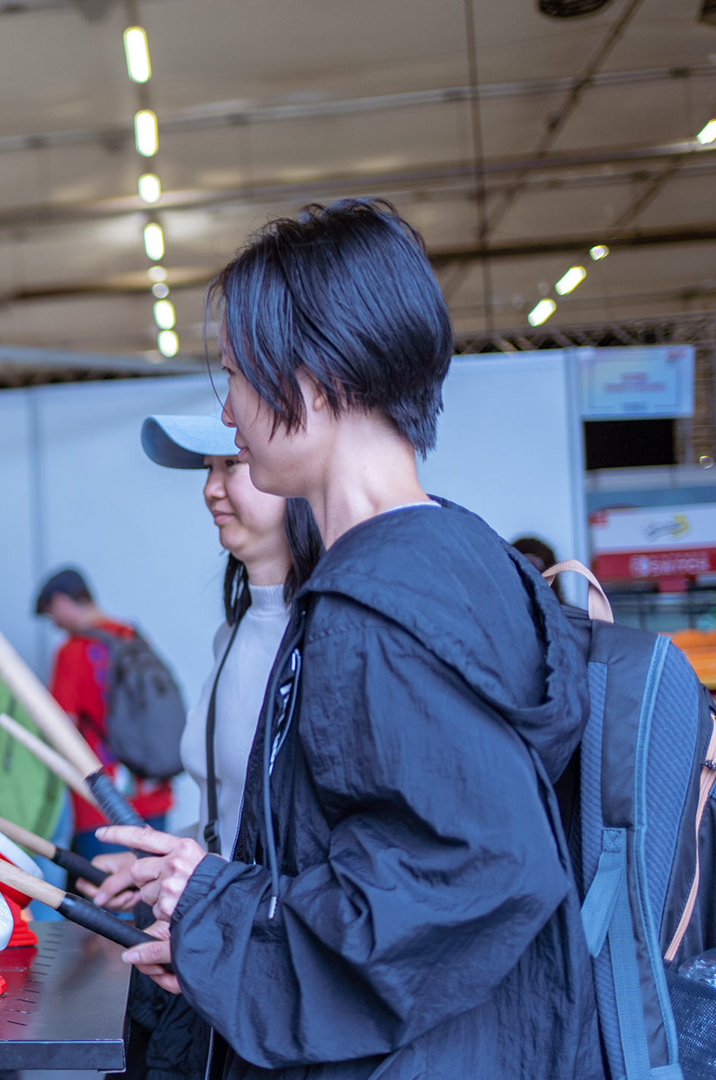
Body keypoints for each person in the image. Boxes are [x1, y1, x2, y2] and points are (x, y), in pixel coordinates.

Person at [97, 199, 598, 1079]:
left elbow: (467, 875)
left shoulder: (377, 607)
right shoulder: (463, 556)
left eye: (238, 378)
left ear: (315, 380)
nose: (233, 412)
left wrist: (209, 902)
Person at [89, 413, 323, 1080]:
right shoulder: (237, 630)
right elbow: (228, 814)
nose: (210, 489)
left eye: (232, 465)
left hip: (268, 973)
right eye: (207, 471)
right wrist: (156, 866)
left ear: (295, 474)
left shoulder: (328, 639)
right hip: (206, 954)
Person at [35, 567, 173, 856]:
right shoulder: (132, 636)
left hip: (102, 803)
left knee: (107, 895)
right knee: (153, 892)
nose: (56, 625)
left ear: (61, 602)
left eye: (51, 615)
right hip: (153, 791)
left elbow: (61, 730)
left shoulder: (73, 651)